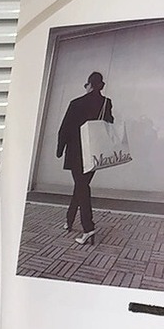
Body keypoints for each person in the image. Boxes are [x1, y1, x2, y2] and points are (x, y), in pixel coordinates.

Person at [56, 69, 113, 244]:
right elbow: (110, 122)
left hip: (76, 152)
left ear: (89, 85)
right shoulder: (106, 103)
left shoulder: (76, 103)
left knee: (82, 187)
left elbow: (65, 128)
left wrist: (59, 150)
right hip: (93, 152)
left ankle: (88, 228)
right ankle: (69, 220)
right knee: (81, 186)